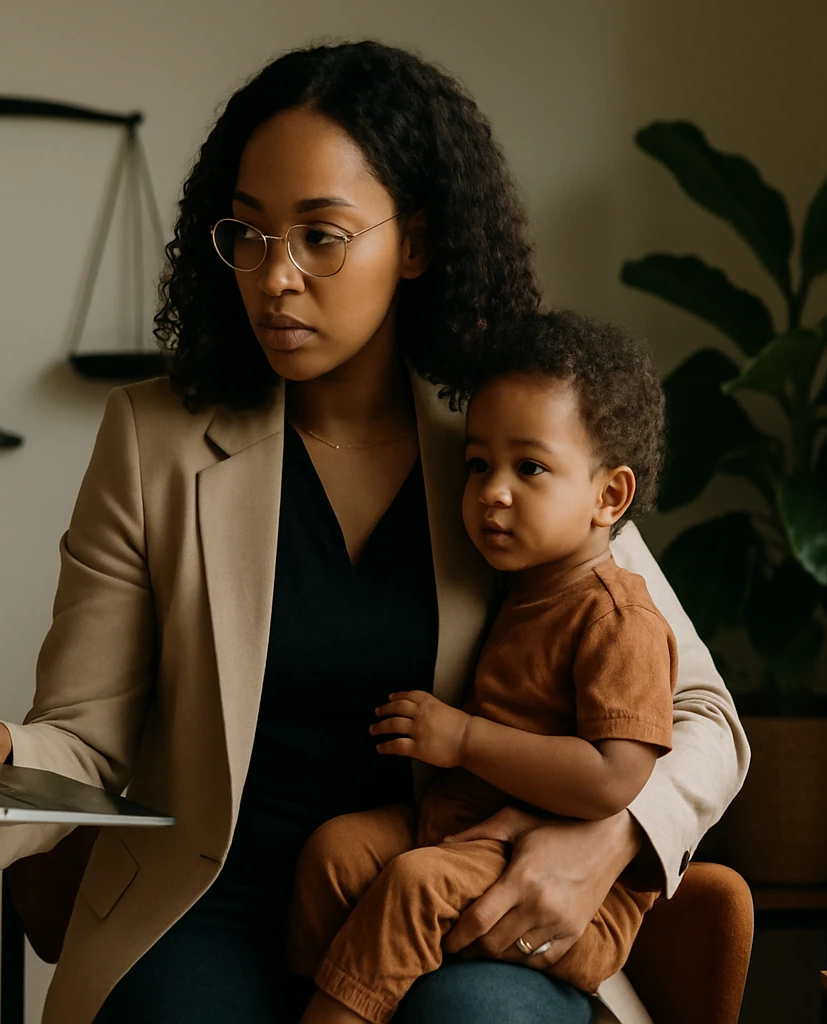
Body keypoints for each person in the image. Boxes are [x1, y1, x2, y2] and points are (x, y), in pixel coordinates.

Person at [0, 40, 748, 1024]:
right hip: (215, 902)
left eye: (320, 236)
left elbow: (702, 715)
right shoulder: (153, 441)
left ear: (416, 244)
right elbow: (84, 739)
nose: (274, 277)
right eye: (248, 234)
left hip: (448, 887)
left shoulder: (503, 445)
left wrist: (610, 835)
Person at [290, 311, 677, 1024]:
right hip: (461, 829)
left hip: (558, 883)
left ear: (609, 497)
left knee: (413, 885)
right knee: (334, 853)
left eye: (529, 468)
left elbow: (614, 777)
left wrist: (464, 739)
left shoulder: (618, 619)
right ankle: (340, 996)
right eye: (477, 464)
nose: (493, 491)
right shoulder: (522, 586)